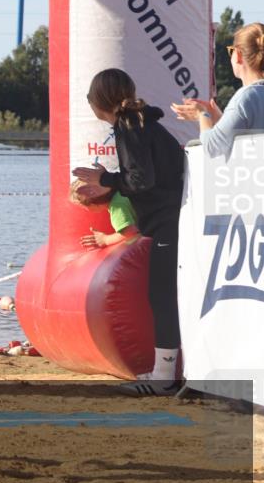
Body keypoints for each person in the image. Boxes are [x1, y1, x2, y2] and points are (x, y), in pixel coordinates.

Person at [72, 68, 184, 396]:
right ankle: (167, 371)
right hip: (176, 217)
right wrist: (110, 176)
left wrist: (105, 180)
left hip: (169, 219)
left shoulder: (129, 127)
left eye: (90, 99)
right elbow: (145, 173)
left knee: (162, 296)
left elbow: (142, 180)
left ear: (97, 103)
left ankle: (164, 376)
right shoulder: (140, 123)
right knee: (167, 295)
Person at [171, 22, 264, 156]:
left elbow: (212, 146)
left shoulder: (246, 97)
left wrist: (203, 114)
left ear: (239, 55)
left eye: (231, 51)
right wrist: (221, 119)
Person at [68, 179, 140, 249]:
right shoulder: (121, 192)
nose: (85, 209)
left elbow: (130, 232)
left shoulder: (116, 206)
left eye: (83, 206)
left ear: (92, 203)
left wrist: (105, 240)